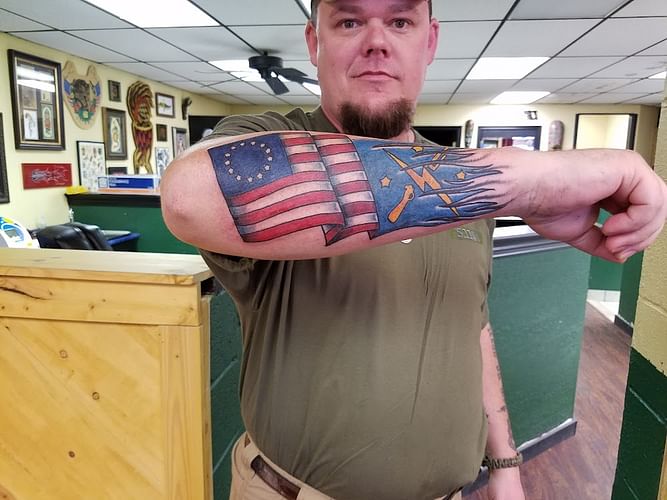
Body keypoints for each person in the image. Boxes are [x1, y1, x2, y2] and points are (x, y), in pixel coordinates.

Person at [160, 1, 667, 498]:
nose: (376, 42)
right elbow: (189, 196)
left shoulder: (464, 179)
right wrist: (529, 182)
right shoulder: (268, 138)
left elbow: (472, 322)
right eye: (349, 20)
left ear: (430, 41)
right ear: (315, 42)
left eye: (400, 21)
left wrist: (505, 462)